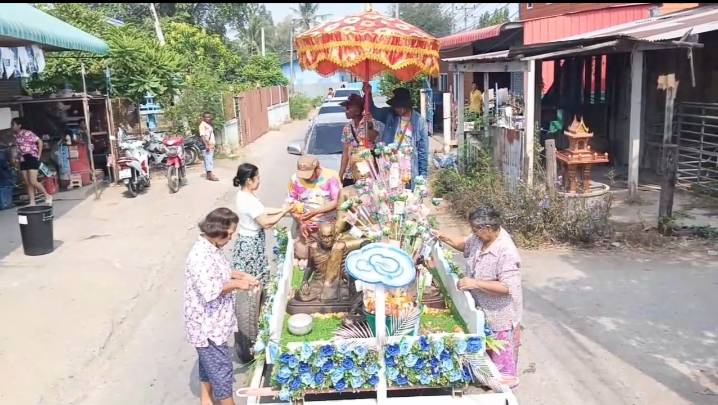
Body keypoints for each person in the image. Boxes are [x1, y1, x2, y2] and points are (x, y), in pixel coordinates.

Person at [433, 206, 523, 388]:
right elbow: (466, 244)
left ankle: (504, 389)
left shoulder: (506, 251)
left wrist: (475, 283)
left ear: (488, 228)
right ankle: (485, 378)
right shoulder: (479, 237)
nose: (473, 233)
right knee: (483, 348)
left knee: (500, 360)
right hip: (481, 307)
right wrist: (444, 237)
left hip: (500, 313)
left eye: (475, 229)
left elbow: (507, 287)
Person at [184, 208, 259, 405]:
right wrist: (238, 285)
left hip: (214, 322)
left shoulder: (212, 247)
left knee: (208, 365)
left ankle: (206, 400)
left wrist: (241, 276)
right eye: (230, 234)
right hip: (207, 326)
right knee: (221, 371)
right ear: (218, 231)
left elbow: (221, 271)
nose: (231, 238)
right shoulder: (200, 256)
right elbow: (211, 290)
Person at [231, 163, 294, 285]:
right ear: (249, 180)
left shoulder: (244, 194)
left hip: (248, 239)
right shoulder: (248, 200)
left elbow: (262, 210)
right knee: (254, 279)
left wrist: (282, 210)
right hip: (250, 244)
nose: (259, 181)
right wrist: (284, 212)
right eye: (257, 178)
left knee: (253, 276)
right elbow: (266, 223)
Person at [365, 85, 429, 185]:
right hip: (390, 165)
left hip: (409, 170)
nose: (397, 109)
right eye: (395, 106)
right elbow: (373, 111)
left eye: (399, 106)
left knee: (407, 194)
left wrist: (423, 176)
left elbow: (423, 151)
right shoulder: (389, 114)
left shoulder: (420, 121)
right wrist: (368, 93)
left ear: (406, 106)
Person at [287, 156, 341, 259]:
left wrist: (315, 212)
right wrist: (301, 221)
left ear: (317, 169)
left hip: (328, 225)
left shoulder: (331, 176)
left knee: (329, 256)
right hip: (306, 225)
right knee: (303, 255)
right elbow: (291, 203)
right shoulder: (294, 179)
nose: (306, 178)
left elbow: (337, 201)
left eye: (309, 175)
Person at [338, 94, 383, 187]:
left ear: (357, 110)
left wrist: (369, 126)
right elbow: (346, 150)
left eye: (348, 108)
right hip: (351, 172)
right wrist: (342, 171)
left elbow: (372, 137)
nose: (346, 111)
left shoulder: (372, 123)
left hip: (368, 172)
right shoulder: (347, 128)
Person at [11, 117, 51, 205]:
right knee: (28, 182)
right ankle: (32, 201)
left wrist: (39, 155)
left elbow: (40, 141)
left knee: (33, 181)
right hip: (22, 159)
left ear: (19, 125)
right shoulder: (16, 136)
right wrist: (16, 158)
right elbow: (18, 149)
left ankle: (47, 195)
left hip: (31, 157)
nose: (12, 126)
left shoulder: (28, 133)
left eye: (13, 124)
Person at [199, 112, 219, 182]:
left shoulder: (208, 125)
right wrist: (206, 145)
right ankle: (210, 176)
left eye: (209, 117)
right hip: (207, 145)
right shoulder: (202, 125)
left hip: (210, 144)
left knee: (209, 159)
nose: (208, 118)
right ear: (203, 118)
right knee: (208, 160)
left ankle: (208, 175)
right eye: (206, 117)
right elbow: (202, 136)